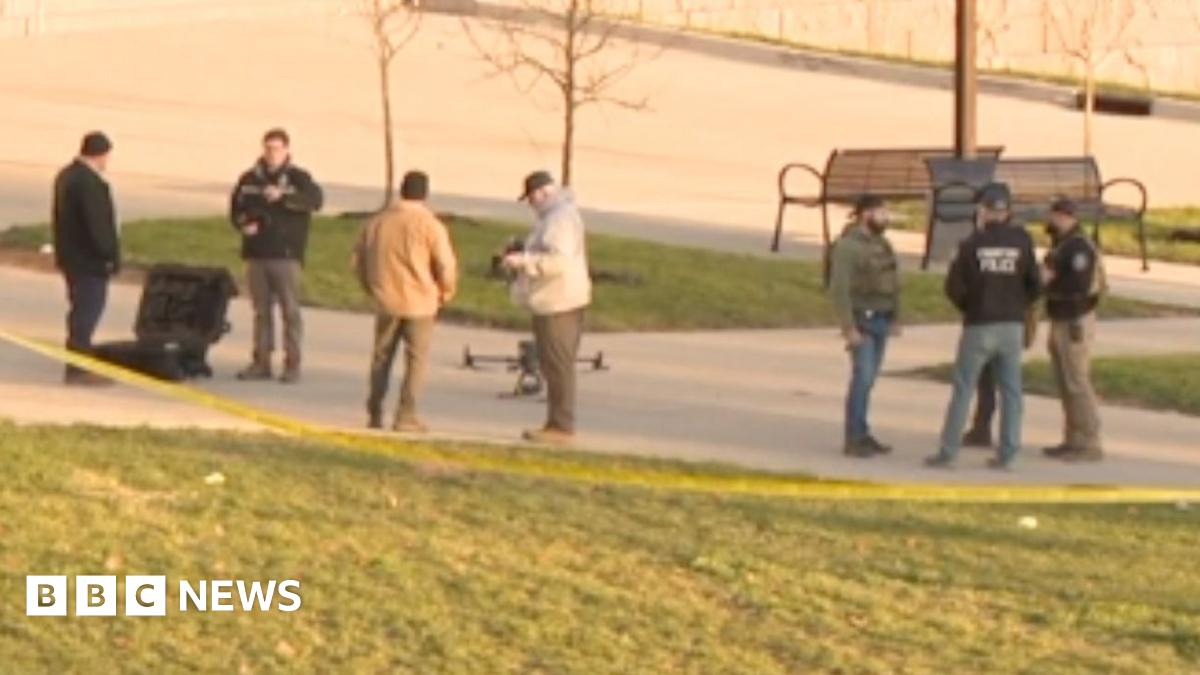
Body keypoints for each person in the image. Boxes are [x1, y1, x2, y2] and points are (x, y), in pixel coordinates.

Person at [927, 182, 1042, 470]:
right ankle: (1008, 453)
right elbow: (1035, 284)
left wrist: (971, 306)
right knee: (1011, 391)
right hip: (1012, 324)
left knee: (964, 388)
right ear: (1008, 211)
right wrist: (1018, 304)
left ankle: (948, 452)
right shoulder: (1022, 241)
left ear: (983, 211)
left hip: (979, 323)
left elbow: (953, 287)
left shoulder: (971, 244)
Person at [353, 171, 458, 433]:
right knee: (416, 361)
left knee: (381, 357)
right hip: (421, 302)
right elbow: (445, 265)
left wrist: (372, 288)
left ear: (401, 190)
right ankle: (406, 415)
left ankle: (375, 411)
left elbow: (358, 262)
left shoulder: (377, 223)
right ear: (425, 194)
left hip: (386, 299)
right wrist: (445, 291)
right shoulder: (431, 225)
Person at [501, 171, 592, 444]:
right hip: (557, 299)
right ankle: (555, 422)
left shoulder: (559, 220)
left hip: (558, 302)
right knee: (554, 364)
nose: (530, 205)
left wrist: (523, 261)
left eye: (530, 199)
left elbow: (558, 261)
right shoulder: (557, 216)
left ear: (541, 194)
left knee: (558, 364)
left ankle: (561, 426)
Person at [229, 128, 324, 384]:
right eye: (268, 148)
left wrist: (284, 196)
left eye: (277, 148)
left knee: (290, 311)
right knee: (261, 311)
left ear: (286, 150)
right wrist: (243, 224)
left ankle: (292, 364)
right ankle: (261, 362)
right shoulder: (250, 179)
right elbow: (236, 209)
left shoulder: (298, 178)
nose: (272, 153)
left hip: (285, 255)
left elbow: (315, 201)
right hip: (256, 253)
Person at [827, 194, 901, 458]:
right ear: (865, 214)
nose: (885, 218)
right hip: (862, 320)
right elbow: (839, 289)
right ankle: (854, 437)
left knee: (869, 380)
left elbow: (894, 282)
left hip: (881, 317)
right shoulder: (847, 247)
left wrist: (896, 317)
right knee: (863, 378)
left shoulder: (883, 244)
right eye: (881, 212)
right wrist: (848, 327)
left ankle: (863, 431)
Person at [52, 131, 120, 386]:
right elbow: (97, 225)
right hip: (89, 260)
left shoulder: (67, 176)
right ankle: (78, 367)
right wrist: (109, 255)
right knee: (87, 311)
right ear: (101, 154)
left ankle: (78, 359)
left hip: (71, 257)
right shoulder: (89, 183)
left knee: (80, 308)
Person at [1041, 197, 1106, 462]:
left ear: (1063, 216)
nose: (1051, 220)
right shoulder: (1062, 244)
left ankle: (1090, 442)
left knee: (1077, 382)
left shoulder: (1079, 247)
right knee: (1066, 382)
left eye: (1055, 216)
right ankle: (1072, 439)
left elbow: (1077, 285)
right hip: (1061, 318)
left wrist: (1048, 282)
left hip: (1075, 320)